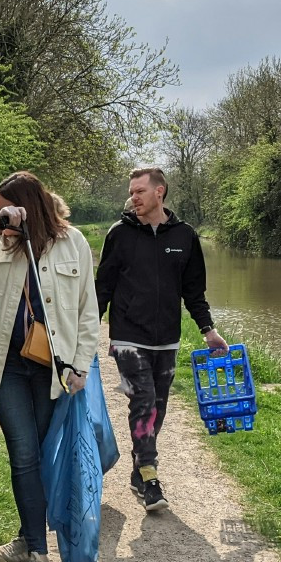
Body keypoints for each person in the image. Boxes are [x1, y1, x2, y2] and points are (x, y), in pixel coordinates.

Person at [0, 171, 101, 562]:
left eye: (6, 205)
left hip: (51, 367)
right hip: (5, 366)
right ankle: (39, 556)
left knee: (38, 453)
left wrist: (81, 365)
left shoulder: (72, 242)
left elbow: (87, 311)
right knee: (23, 454)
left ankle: (25, 536)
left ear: (30, 204)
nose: (0, 212)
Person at [94, 167, 226, 513]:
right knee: (144, 401)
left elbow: (194, 291)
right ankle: (151, 478)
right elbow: (103, 287)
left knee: (157, 409)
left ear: (159, 192)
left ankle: (139, 469)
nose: (133, 197)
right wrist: (88, 328)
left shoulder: (185, 236)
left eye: (140, 191)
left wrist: (208, 330)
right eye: (131, 191)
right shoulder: (119, 234)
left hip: (167, 338)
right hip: (127, 336)